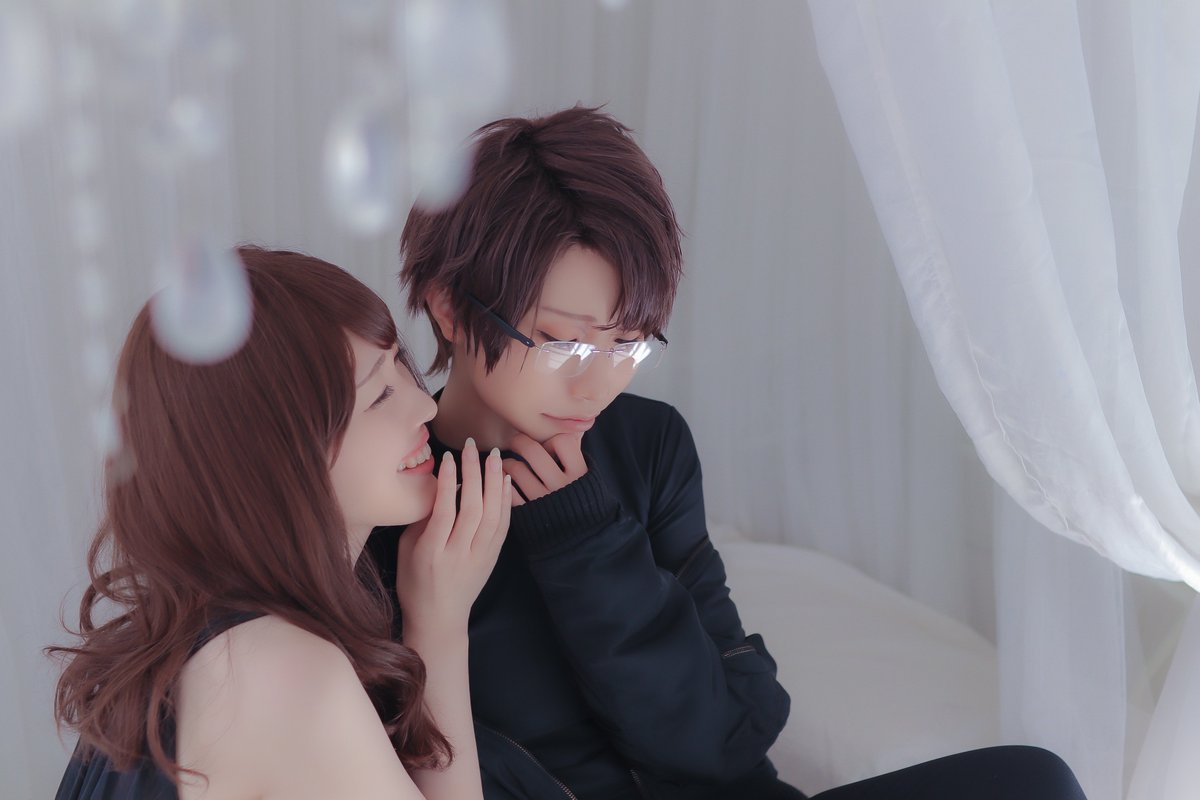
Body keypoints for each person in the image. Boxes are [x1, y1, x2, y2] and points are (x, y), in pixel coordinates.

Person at [367, 106, 1089, 800]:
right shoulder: (383, 504)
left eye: (628, 345)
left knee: (1035, 782)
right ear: (451, 307)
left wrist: (587, 543)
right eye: (564, 343)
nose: (596, 385)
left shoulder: (649, 445)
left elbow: (724, 742)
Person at [50, 247, 510, 800]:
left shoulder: (200, 640)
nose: (424, 406)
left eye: (400, 365)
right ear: (275, 457)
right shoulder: (279, 671)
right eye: (380, 395)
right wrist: (439, 623)